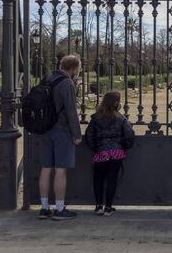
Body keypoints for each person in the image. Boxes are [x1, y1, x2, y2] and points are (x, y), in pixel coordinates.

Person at [38, 55, 82, 220]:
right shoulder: (67, 83)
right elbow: (71, 111)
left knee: (45, 168)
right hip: (61, 130)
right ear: (74, 69)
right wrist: (77, 134)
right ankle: (59, 208)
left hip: (45, 129)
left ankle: (44, 208)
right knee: (60, 170)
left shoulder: (47, 79)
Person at [85, 91, 135, 216]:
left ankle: (98, 207)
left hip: (101, 152)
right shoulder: (121, 118)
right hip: (117, 153)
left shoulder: (95, 118)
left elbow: (89, 136)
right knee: (112, 179)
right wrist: (125, 147)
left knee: (98, 179)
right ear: (117, 103)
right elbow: (129, 135)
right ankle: (108, 207)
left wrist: (96, 148)